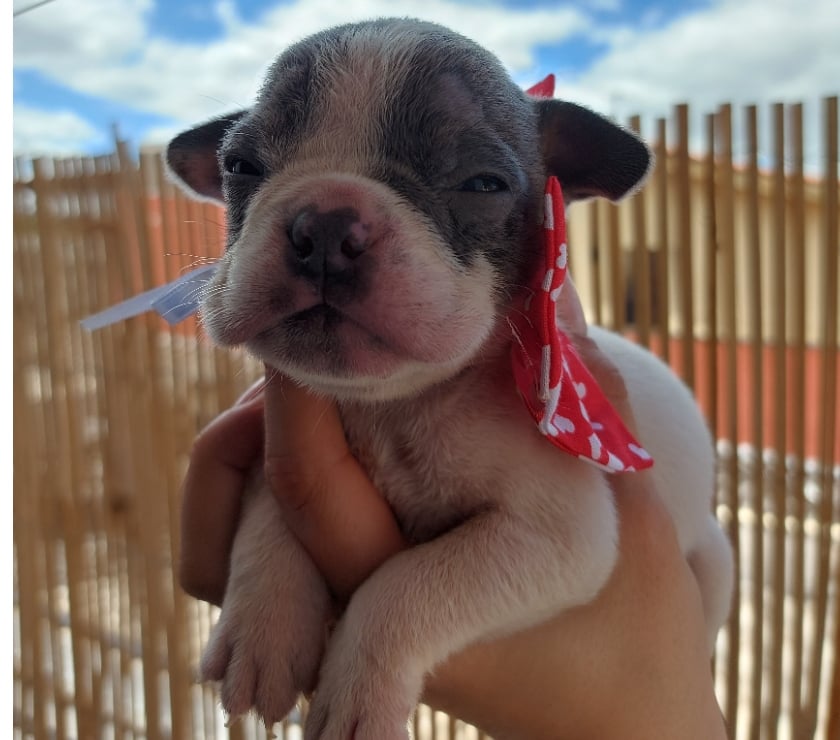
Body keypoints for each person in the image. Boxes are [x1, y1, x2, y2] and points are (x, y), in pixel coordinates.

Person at [179, 285, 729, 739]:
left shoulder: (505, 382)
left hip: (671, 583)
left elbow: (564, 543)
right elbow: (302, 470)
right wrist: (269, 552)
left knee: (714, 566)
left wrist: (386, 639)